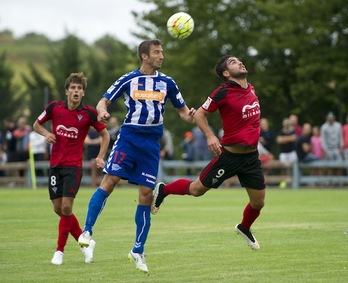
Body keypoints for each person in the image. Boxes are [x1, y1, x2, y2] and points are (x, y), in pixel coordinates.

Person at [77, 39, 196, 273]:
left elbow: (182, 111)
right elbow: (104, 99)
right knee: (109, 182)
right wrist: (101, 109)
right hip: (129, 138)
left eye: (162, 52)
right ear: (144, 56)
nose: (161, 56)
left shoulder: (168, 82)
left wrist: (190, 114)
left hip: (151, 143)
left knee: (146, 195)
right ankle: (88, 230)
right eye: (156, 52)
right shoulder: (128, 79)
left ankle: (137, 250)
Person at [152, 55, 265, 251]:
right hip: (230, 156)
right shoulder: (222, 92)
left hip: (251, 158)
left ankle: (244, 227)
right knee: (196, 190)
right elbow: (201, 114)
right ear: (226, 73)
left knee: (258, 202)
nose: (239, 62)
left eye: (239, 60)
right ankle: (164, 190)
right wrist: (210, 136)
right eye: (233, 62)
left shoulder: (251, 89)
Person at [33, 72, 110, 265]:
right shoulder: (55, 108)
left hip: (73, 167)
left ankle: (59, 251)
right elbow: (36, 124)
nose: (76, 91)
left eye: (79, 89)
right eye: (73, 88)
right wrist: (46, 133)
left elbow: (106, 135)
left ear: (83, 93)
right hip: (55, 166)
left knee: (67, 207)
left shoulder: (89, 113)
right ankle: (86, 243)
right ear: (67, 91)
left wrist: (100, 156)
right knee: (59, 209)